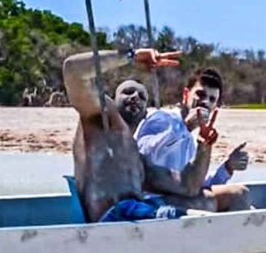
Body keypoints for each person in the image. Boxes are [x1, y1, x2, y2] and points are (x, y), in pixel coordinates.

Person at [62, 47, 183, 222]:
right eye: (127, 92)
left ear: (144, 115)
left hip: (136, 218)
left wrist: (207, 148)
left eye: (142, 97)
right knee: (171, 215)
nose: (135, 97)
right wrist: (130, 56)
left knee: (204, 202)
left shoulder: (136, 158)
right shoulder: (99, 117)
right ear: (112, 99)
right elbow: (72, 70)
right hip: (111, 218)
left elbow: (186, 186)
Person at [136, 67, 253, 212]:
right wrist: (185, 127)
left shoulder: (192, 139)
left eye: (211, 99)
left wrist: (228, 168)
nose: (205, 102)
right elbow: (143, 156)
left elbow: (196, 185)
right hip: (147, 201)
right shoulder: (162, 118)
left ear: (215, 107)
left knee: (242, 197)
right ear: (186, 95)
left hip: (175, 198)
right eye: (200, 94)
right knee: (238, 195)